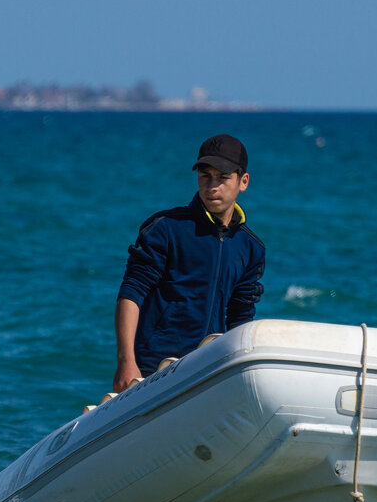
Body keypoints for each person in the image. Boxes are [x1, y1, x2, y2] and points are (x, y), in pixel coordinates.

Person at [113, 134, 265, 393]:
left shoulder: (251, 248)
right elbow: (131, 292)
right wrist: (126, 361)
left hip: (208, 370)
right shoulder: (166, 229)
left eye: (223, 177)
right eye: (206, 176)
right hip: (153, 369)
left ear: (243, 181)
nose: (212, 185)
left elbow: (240, 318)